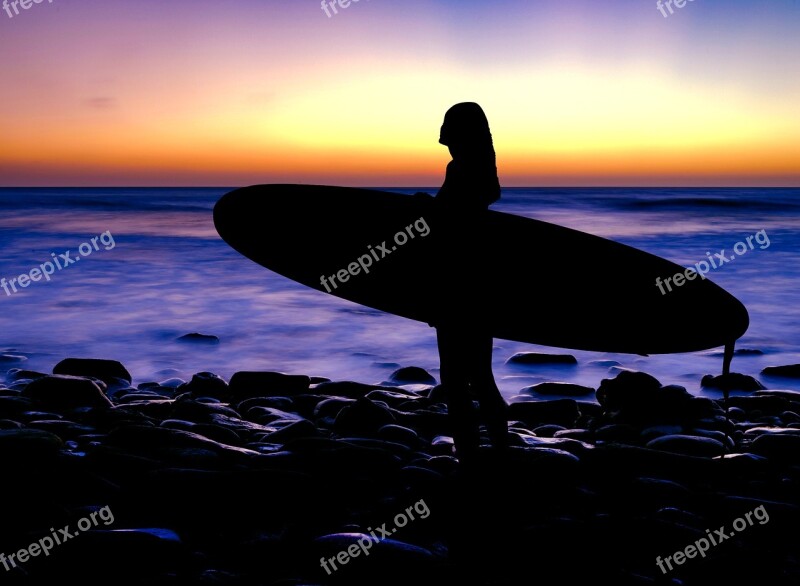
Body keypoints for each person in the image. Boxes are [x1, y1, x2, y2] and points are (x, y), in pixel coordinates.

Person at [421, 102, 508, 463]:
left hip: (458, 285)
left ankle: (470, 455)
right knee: (478, 375)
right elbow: (466, 210)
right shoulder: (480, 168)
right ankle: (497, 451)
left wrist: (429, 208)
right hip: (478, 283)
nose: (446, 141)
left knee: (456, 380)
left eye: (450, 133)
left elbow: (449, 221)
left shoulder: (464, 170)